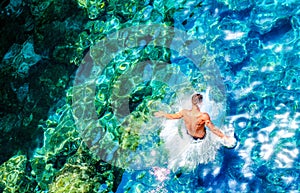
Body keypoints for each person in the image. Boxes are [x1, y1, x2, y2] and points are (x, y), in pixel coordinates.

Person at [154, 93, 235, 143]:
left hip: (189, 134)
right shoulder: (203, 116)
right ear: (201, 103)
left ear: (192, 102)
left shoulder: (184, 112)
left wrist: (163, 114)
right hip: (201, 137)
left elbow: (172, 116)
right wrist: (225, 137)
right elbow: (213, 129)